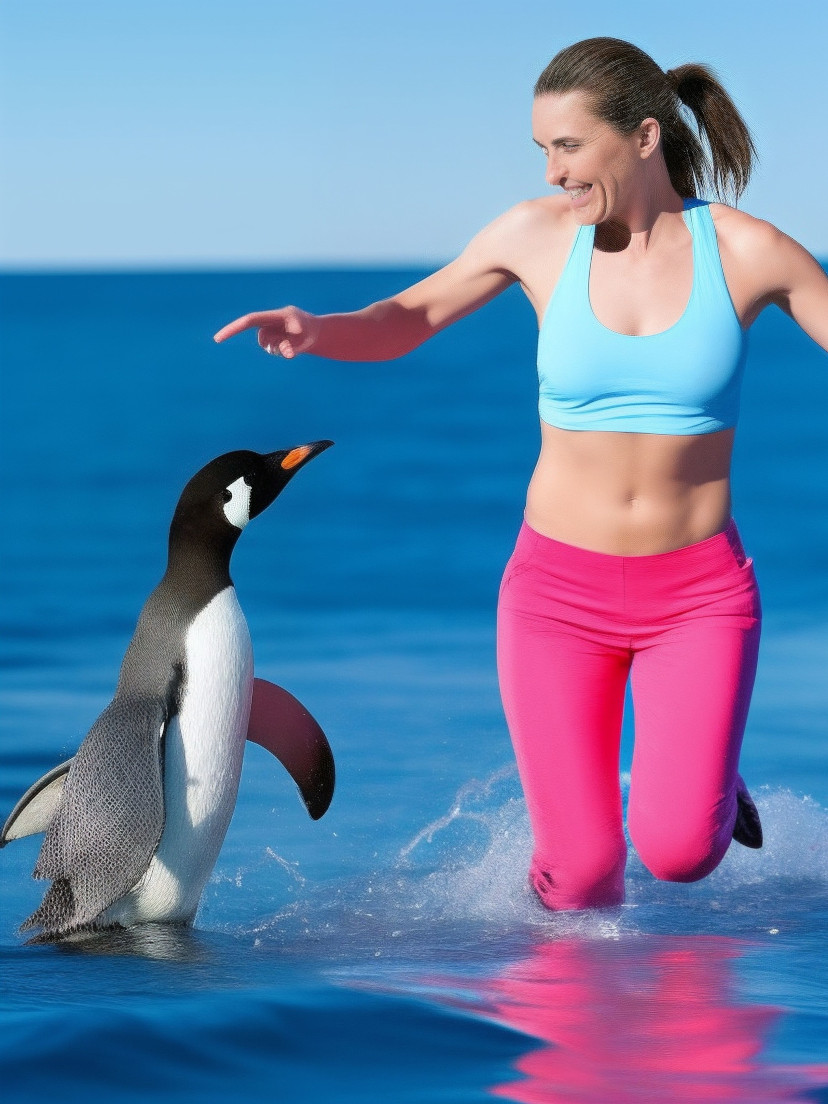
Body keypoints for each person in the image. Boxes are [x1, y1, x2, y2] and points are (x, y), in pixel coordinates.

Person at [214, 38, 828, 910]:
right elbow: (410, 314)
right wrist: (320, 330)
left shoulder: (748, 251)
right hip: (556, 595)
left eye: (568, 147)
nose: (552, 172)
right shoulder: (536, 238)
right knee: (582, 879)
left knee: (681, 852)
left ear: (644, 136)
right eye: (542, 149)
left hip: (698, 596)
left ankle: (710, 790)